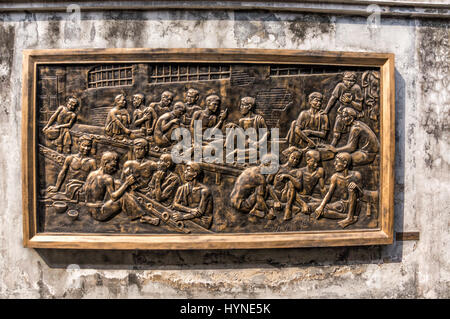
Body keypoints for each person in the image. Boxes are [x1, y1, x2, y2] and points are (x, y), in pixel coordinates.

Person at [83, 151, 159, 225]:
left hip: (88, 209)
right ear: (105, 164)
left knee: (118, 183)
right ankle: (143, 216)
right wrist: (126, 183)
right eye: (112, 166)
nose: (115, 169)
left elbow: (85, 188)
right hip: (99, 212)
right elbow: (114, 197)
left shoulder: (92, 174)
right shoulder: (107, 178)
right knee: (122, 197)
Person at [314, 152, 362, 228]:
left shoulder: (356, 175)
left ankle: (350, 217)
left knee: (351, 188)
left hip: (354, 205)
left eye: (337, 162)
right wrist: (321, 206)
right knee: (323, 211)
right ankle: (348, 217)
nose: (334, 164)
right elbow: (329, 193)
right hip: (342, 204)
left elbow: (362, 194)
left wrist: (356, 188)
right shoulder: (335, 177)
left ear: (345, 163)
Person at [46, 135, 96, 201]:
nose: (86, 148)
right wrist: (57, 187)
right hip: (69, 188)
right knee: (50, 196)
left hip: (84, 189)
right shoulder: (70, 158)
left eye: (88, 146)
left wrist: (86, 187)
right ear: (78, 144)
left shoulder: (91, 162)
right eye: (84, 145)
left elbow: (94, 179)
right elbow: (63, 173)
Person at [230, 153, 279, 220]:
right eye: (274, 166)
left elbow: (266, 182)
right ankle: (255, 211)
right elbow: (259, 198)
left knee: (263, 188)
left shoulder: (253, 169)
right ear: (267, 164)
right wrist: (267, 213)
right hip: (241, 205)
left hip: (233, 200)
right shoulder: (260, 178)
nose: (275, 168)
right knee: (265, 189)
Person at [323, 72, 363, 146]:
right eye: (347, 80)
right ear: (343, 79)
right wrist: (326, 111)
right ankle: (332, 146)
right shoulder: (340, 86)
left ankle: (350, 146)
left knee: (353, 131)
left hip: (354, 114)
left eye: (352, 81)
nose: (349, 83)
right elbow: (333, 99)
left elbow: (360, 107)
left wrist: (350, 101)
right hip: (342, 112)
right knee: (337, 129)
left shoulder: (356, 88)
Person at [225, 96, 268, 162]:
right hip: (245, 144)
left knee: (256, 153)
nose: (240, 107)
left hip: (254, 146)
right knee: (234, 127)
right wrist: (234, 126)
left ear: (249, 106)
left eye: (242, 105)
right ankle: (230, 150)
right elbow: (241, 136)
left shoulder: (259, 119)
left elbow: (267, 132)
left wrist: (259, 142)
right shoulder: (241, 121)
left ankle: (237, 154)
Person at [172, 162, 213, 229]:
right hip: (189, 215)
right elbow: (175, 205)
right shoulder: (182, 188)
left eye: (188, 170)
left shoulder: (205, 191)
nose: (185, 172)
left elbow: (199, 212)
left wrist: (182, 217)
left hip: (201, 221)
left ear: (194, 174)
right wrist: (190, 210)